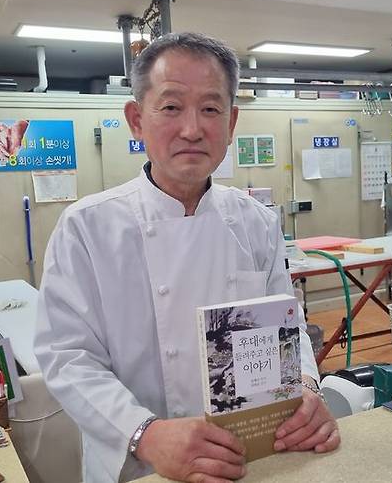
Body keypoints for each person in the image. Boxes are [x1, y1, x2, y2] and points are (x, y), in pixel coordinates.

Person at [34, 32, 340, 483]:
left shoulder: (256, 222)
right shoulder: (88, 226)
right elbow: (68, 358)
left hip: (252, 455)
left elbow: (286, 328)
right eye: (172, 107)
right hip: (140, 467)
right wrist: (146, 434)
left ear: (232, 122)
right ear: (136, 120)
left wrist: (307, 393)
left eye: (211, 109)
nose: (193, 129)